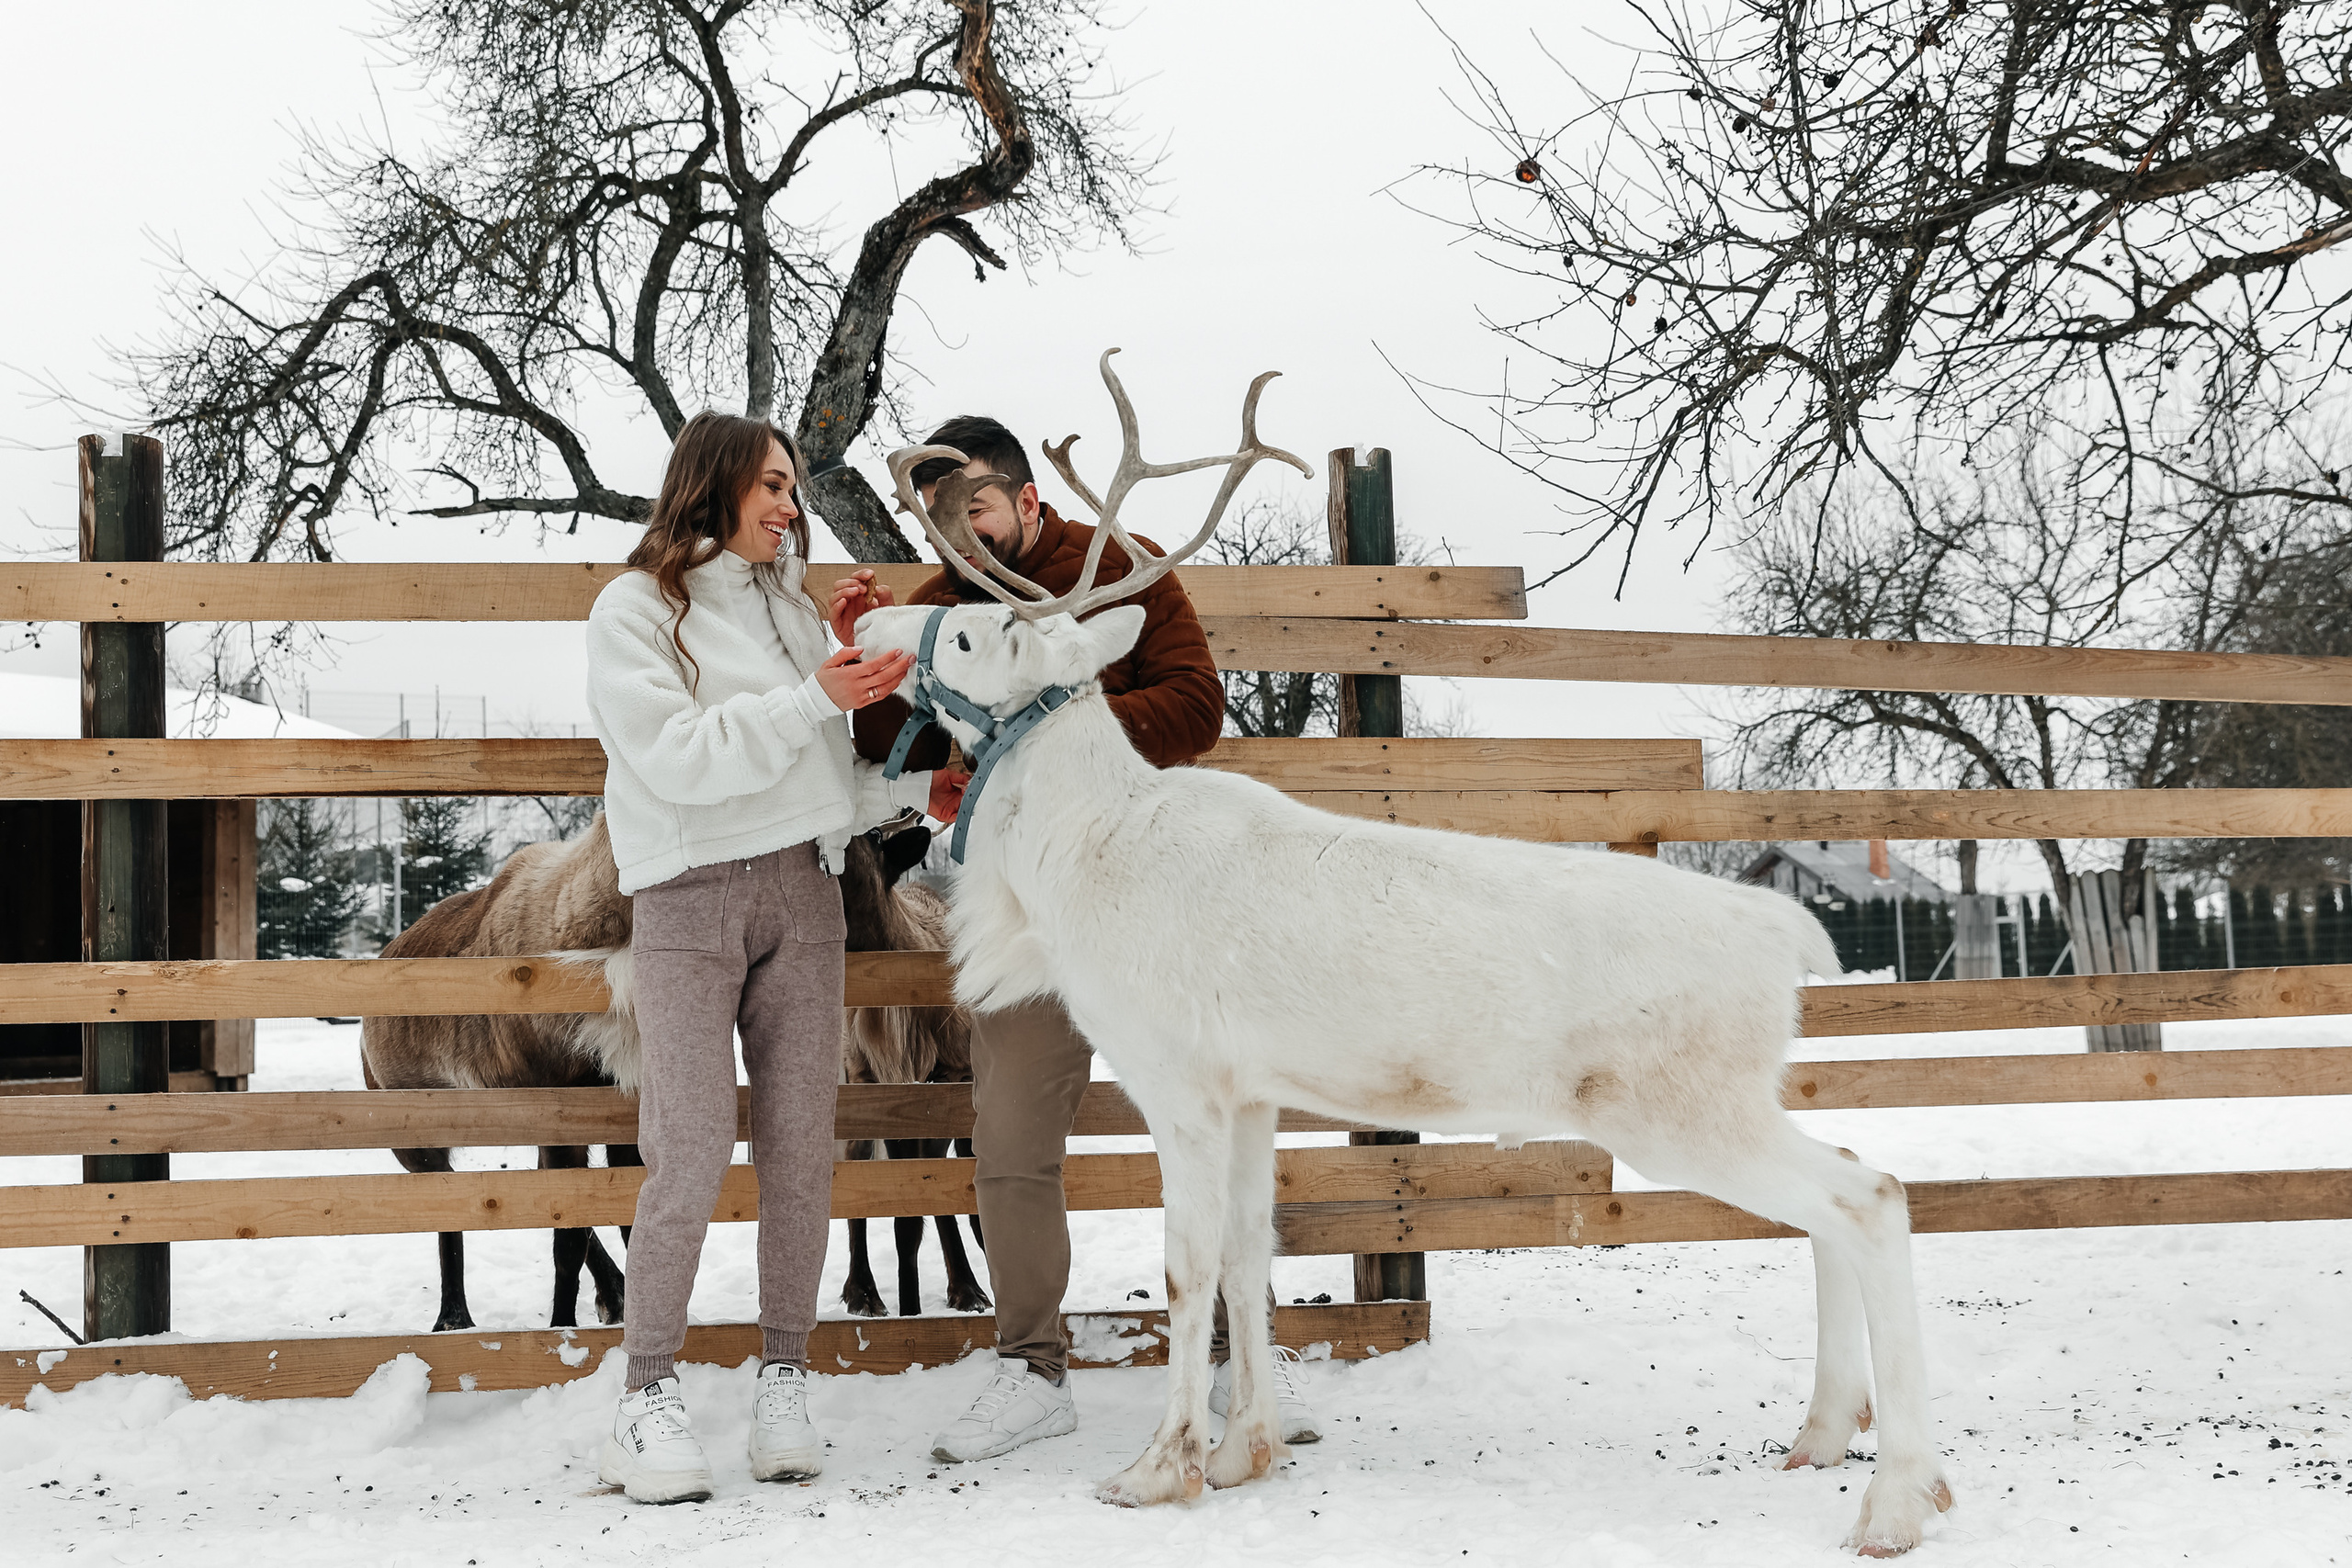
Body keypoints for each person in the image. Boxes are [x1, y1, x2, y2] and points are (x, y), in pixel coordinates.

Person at [827, 413, 1326, 1465]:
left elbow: (1196, 707)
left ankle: (1246, 1358)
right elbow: (879, 738)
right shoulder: (946, 607)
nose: (958, 535)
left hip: (1156, 901)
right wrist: (864, 653)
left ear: (1025, 501)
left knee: (1216, 1121)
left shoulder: (1122, 573)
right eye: (938, 522)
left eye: (975, 510)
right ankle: (1029, 1368)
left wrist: (1052, 731)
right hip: (1026, 911)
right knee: (1008, 1133)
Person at [585, 411, 968, 1504]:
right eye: (771, 486)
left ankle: (785, 1380)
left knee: (803, 1148)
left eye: (793, 489)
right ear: (707, 486)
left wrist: (907, 791)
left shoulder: (793, 614)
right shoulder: (634, 611)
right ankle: (644, 1394)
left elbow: (813, 779)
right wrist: (815, 694)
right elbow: (676, 760)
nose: (790, 508)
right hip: (687, 898)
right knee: (692, 1145)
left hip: (805, 894)